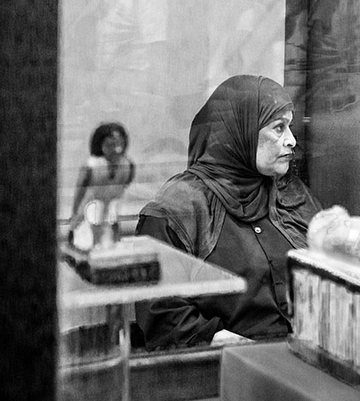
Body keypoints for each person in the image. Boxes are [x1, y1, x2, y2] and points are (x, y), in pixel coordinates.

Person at [134, 75, 322, 350]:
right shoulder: (180, 208)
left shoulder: (290, 193)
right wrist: (244, 354)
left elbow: (333, 269)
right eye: (278, 128)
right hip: (227, 364)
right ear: (241, 131)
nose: (291, 140)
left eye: (289, 127)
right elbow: (164, 316)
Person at [69, 122, 135, 247]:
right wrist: (73, 223)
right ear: (100, 145)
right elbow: (79, 196)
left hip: (109, 222)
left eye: (120, 144)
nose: (117, 150)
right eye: (111, 145)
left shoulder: (127, 166)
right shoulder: (91, 166)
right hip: (87, 221)